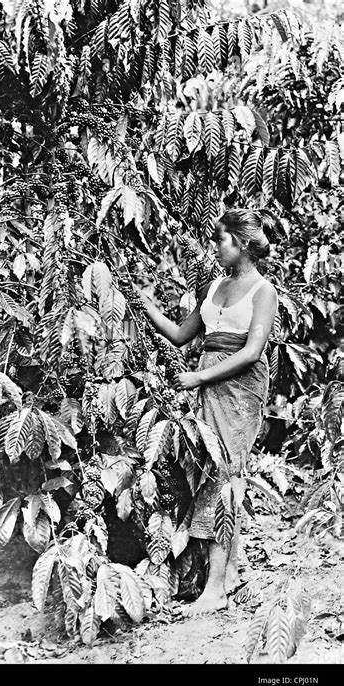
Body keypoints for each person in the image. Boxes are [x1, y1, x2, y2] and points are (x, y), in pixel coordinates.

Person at [136, 208, 282, 615]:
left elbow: (252, 353)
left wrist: (200, 379)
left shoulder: (263, 291)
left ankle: (215, 590)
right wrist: (145, 307)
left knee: (224, 478)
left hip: (238, 389)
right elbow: (183, 335)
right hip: (207, 381)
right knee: (209, 475)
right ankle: (228, 571)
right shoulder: (216, 285)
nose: (215, 247)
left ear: (243, 244)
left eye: (220, 240)